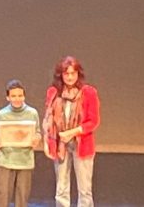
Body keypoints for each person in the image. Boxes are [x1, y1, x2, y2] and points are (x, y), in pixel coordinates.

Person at [43, 56, 100, 207]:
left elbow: (93, 121)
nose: (69, 77)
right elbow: (48, 119)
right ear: (60, 75)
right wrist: (47, 142)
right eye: (66, 73)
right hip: (60, 144)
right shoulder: (53, 92)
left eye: (73, 73)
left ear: (78, 74)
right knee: (61, 187)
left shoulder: (88, 92)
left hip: (81, 144)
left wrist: (72, 132)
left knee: (84, 189)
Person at [0, 80, 40, 207]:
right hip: (5, 160)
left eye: (20, 95)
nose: (17, 99)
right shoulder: (2, 114)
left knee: (22, 197)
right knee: (2, 196)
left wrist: (36, 139)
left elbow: (37, 132)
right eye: (13, 96)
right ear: (7, 97)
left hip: (25, 160)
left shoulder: (32, 113)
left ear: (24, 96)